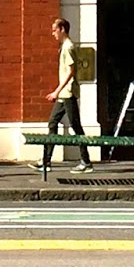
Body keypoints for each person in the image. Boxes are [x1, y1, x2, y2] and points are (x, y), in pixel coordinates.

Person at [37, 16, 92, 174]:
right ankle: (46, 161)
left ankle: (86, 162)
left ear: (62, 29)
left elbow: (71, 72)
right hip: (64, 94)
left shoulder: (68, 47)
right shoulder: (65, 46)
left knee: (76, 126)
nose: (53, 33)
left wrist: (56, 91)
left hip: (68, 93)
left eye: (55, 30)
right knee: (52, 123)